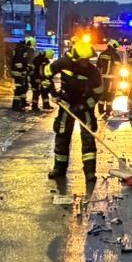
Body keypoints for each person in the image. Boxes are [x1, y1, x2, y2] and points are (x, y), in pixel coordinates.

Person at [48, 38, 106, 184]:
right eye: (83, 60)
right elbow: (46, 74)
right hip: (66, 105)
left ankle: (90, 172)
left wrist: (85, 105)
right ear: (75, 58)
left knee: (88, 138)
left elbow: (98, 92)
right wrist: (53, 93)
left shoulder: (93, 72)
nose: (85, 63)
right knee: (62, 135)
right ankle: (59, 169)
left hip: (85, 107)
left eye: (87, 60)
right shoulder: (63, 63)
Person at [10, 35, 35, 111]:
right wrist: (23, 70)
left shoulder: (21, 49)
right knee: (19, 88)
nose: (30, 48)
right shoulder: (21, 50)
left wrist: (27, 67)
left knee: (24, 87)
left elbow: (23, 61)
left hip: (19, 71)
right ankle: (16, 105)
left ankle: (22, 102)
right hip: (17, 72)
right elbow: (18, 62)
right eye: (30, 46)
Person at [30, 47, 53, 112]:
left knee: (44, 91)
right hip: (37, 79)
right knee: (36, 92)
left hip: (39, 78)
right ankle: (34, 106)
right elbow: (39, 71)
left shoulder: (41, 60)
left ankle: (45, 105)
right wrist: (38, 78)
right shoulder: (40, 61)